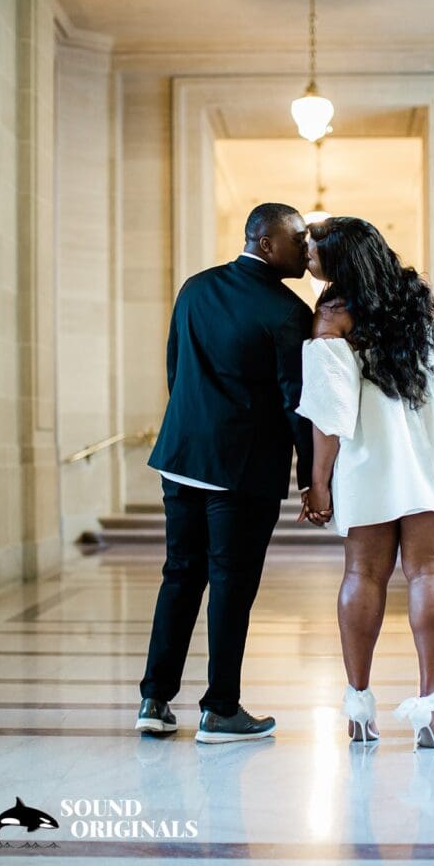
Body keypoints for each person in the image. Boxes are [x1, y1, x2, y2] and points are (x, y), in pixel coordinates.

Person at [296, 217, 434, 748]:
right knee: (432, 571)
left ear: (339, 261)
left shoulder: (331, 317)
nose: (306, 259)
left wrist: (317, 482)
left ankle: (358, 707)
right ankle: (430, 709)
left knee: (363, 574)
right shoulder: (432, 301)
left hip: (372, 453)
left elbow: (330, 414)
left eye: (312, 253)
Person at [136, 203, 314, 743]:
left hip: (182, 456)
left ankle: (154, 700)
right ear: (265, 242)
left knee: (180, 576)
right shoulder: (288, 311)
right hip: (242, 470)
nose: (306, 250)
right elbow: (296, 401)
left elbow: (175, 367)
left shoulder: (195, 287)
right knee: (231, 588)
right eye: (297, 239)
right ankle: (220, 708)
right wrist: (311, 475)